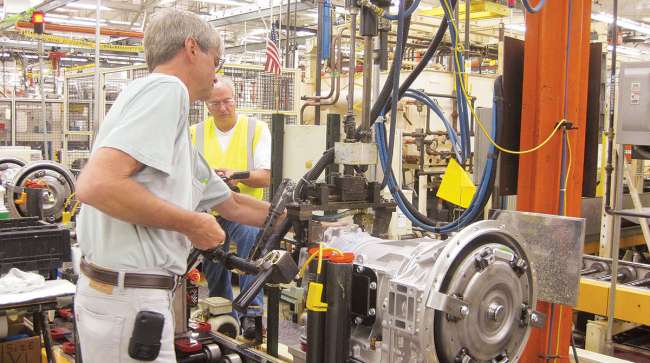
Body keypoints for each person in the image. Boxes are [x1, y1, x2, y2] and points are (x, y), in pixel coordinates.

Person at [73, 9, 273, 362]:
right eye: (217, 60)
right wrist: (193, 223)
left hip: (130, 299)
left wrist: (306, 220)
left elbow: (234, 206)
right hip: (128, 300)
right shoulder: (166, 89)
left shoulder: (177, 135)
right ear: (192, 48)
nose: (216, 74)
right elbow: (96, 185)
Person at [189, 77, 271, 340]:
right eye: (216, 103)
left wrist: (237, 176)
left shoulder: (256, 129)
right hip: (208, 210)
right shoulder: (195, 133)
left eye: (228, 101)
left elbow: (266, 176)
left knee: (249, 239)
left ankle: (251, 312)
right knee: (212, 254)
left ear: (236, 100)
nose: (223, 108)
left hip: (244, 210)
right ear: (206, 105)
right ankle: (222, 312)